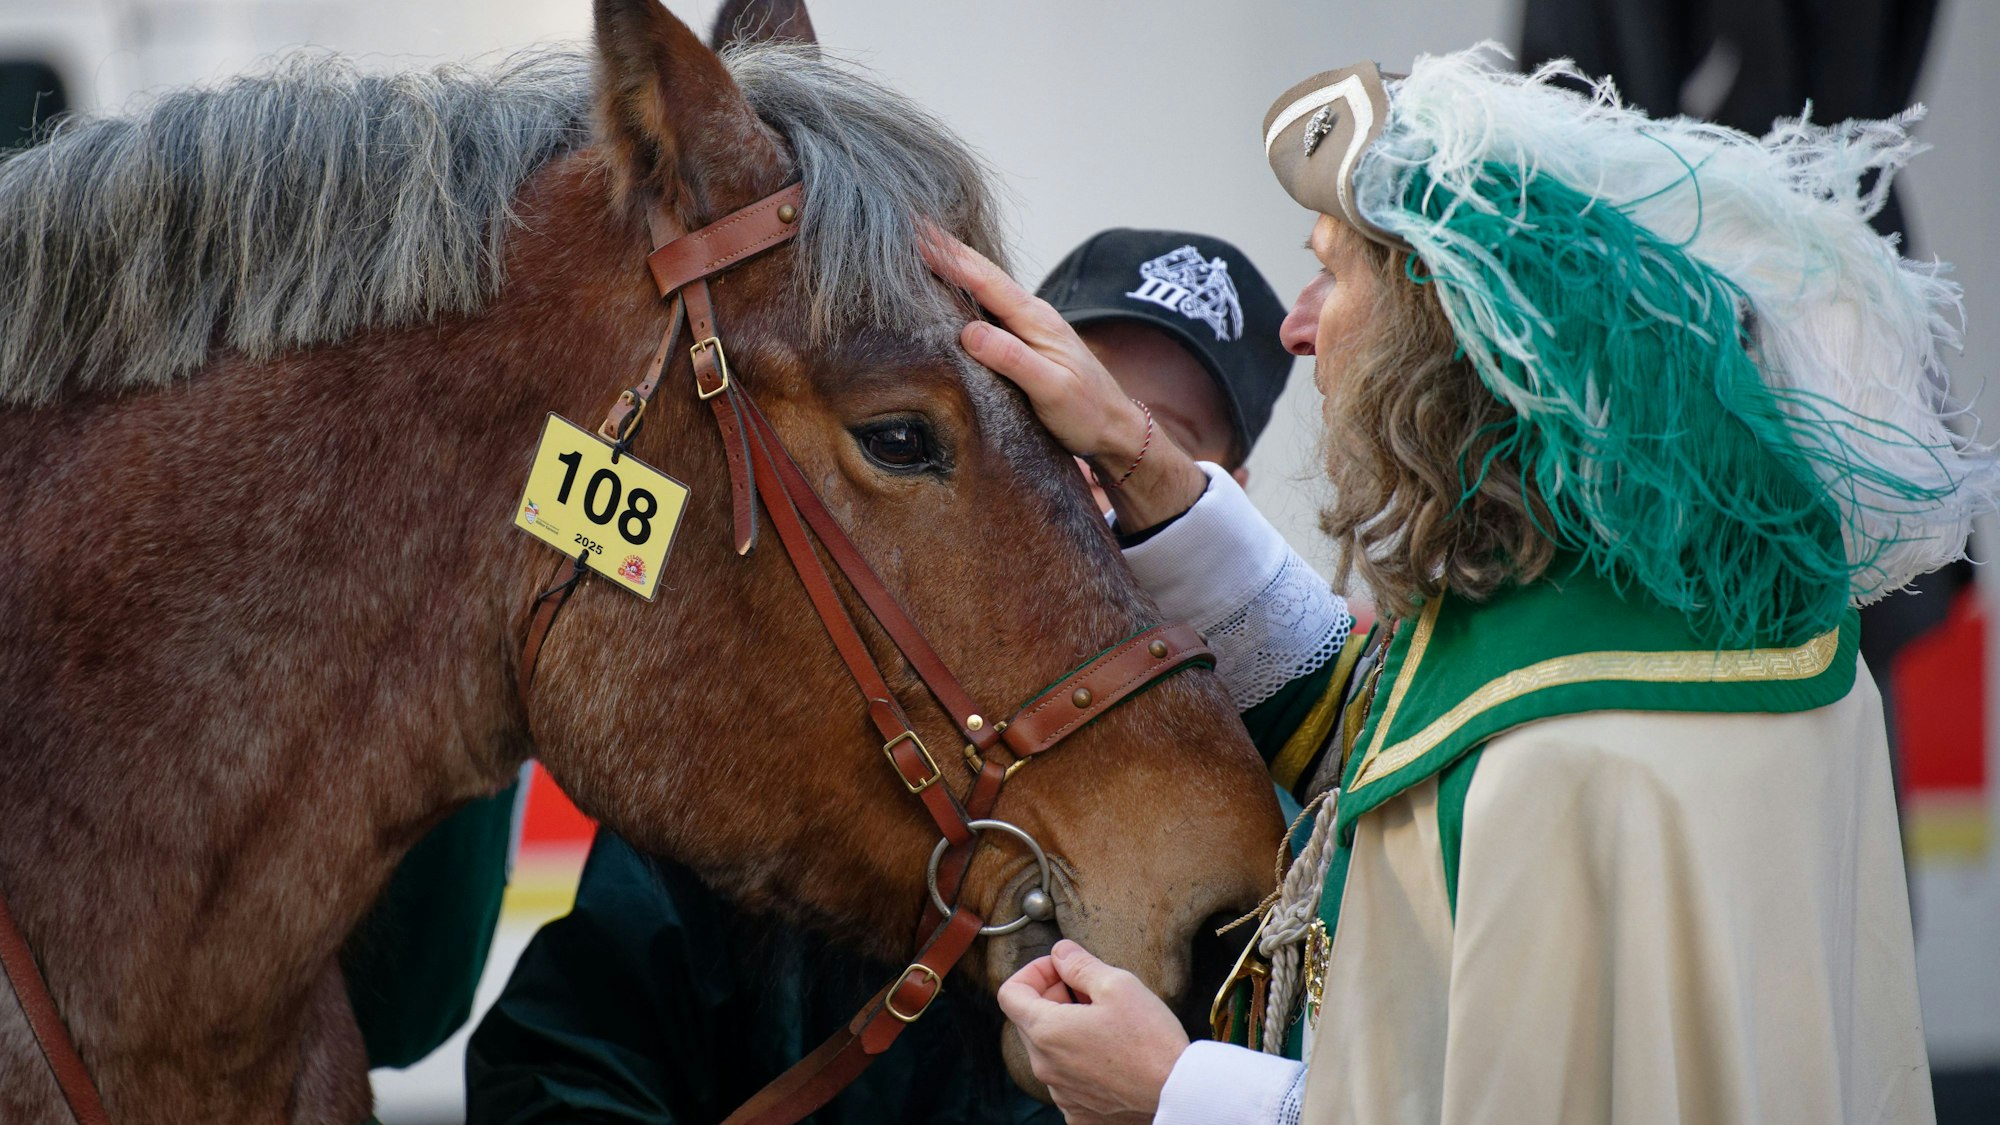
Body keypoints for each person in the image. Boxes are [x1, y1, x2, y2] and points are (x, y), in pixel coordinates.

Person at [926, 47, 1983, 1124]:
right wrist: (1140, 461)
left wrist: (1173, 1089)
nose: (1296, 327)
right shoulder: (1647, 619)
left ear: (1451, 327)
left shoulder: (1569, 749)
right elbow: (1386, 732)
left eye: (1332, 276)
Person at [462, 229, 1340, 1124]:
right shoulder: (804, 699)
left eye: (1141, 451)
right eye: (1058, 418)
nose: (1088, 475)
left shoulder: (1245, 822)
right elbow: (561, 1064)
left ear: (1218, 492)